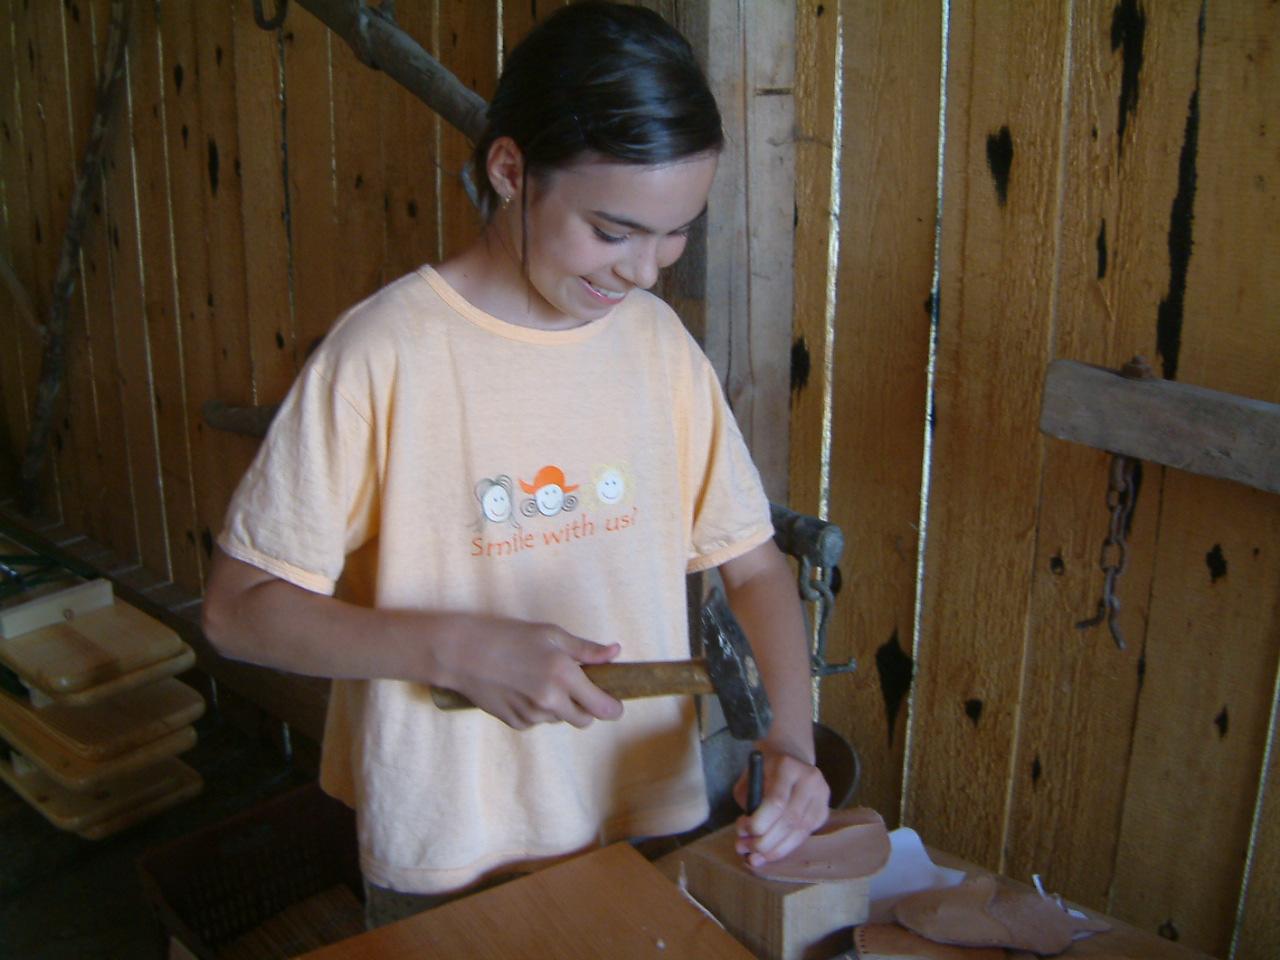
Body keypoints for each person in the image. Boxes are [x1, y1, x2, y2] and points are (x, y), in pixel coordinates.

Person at [201, 0, 829, 924]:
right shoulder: (383, 357)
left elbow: (756, 567)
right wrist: (453, 648)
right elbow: (237, 612)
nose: (645, 270)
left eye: (676, 231)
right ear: (510, 171)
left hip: (641, 810)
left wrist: (791, 746)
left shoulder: (657, 346)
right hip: (450, 844)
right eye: (612, 231)